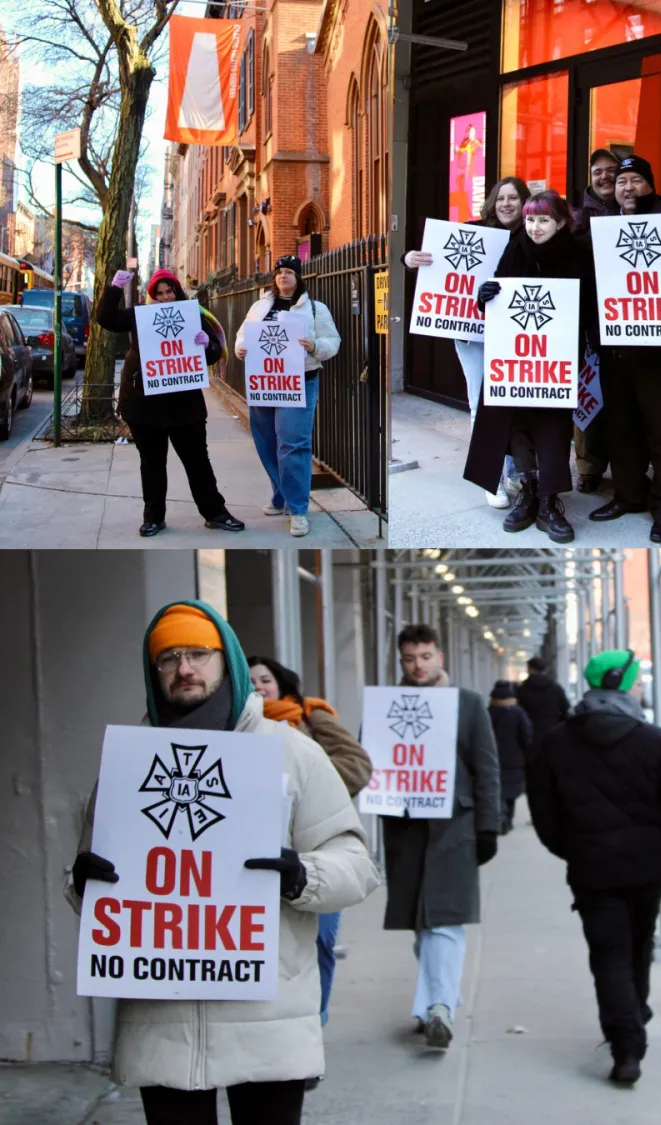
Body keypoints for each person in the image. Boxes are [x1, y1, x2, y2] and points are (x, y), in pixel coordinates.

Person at [65, 601, 380, 1125]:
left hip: (268, 1024)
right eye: (167, 658)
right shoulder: (129, 761)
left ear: (225, 659)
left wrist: (302, 876)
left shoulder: (291, 752)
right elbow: (96, 893)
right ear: (153, 672)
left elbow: (356, 864)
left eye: (197, 653)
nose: (184, 668)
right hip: (161, 1028)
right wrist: (83, 883)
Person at [527, 650, 661, 1086]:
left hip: (591, 866)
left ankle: (626, 1045)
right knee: (639, 942)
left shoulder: (556, 742)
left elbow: (544, 812)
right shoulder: (654, 741)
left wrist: (572, 848)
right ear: (624, 684)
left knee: (608, 954)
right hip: (648, 865)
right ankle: (635, 1013)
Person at [382, 623, 501, 1049]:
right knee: (422, 924)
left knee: (445, 920)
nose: (418, 665)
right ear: (401, 661)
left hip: (455, 828)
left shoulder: (467, 705)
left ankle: (439, 1008)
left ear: (440, 657)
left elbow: (487, 767)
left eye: (426, 657)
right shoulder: (386, 707)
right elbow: (372, 760)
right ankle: (435, 1000)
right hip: (408, 829)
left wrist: (489, 826)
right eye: (410, 659)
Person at [248, 655, 372, 1033]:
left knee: (320, 942)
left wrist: (307, 782)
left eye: (265, 679)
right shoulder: (234, 730)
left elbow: (357, 765)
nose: (258, 688)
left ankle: (313, 1023)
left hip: (313, 853)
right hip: (256, 856)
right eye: (250, 680)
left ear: (282, 684)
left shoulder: (308, 720)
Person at [468, 190, 600, 543]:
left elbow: (589, 304)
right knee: (518, 424)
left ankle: (549, 501)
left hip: (557, 357)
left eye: (543, 220)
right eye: (530, 220)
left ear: (560, 222)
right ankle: (528, 490)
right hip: (516, 357)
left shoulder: (577, 253)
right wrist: (486, 296)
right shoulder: (516, 247)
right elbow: (498, 292)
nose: (535, 227)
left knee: (553, 426)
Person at [589, 155, 661, 543]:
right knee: (621, 428)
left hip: (660, 349)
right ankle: (629, 495)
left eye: (636, 179)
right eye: (622, 181)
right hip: (615, 346)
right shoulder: (602, 225)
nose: (627, 187)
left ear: (650, 185)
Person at [404, 175, 530, 509]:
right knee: (481, 402)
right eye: (501, 197)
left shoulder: (533, 234)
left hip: (515, 333)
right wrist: (409, 259)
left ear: (524, 202)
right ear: (492, 201)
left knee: (515, 402)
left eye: (513, 198)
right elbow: (434, 258)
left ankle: (514, 469)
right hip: (473, 333)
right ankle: (492, 479)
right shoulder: (473, 231)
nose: (506, 204)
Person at [97, 268, 245, 538]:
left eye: (170, 291)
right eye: (160, 292)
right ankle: (153, 518)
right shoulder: (140, 316)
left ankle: (215, 513)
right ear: (153, 295)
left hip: (184, 407)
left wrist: (207, 345)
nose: (165, 297)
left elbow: (213, 355)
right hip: (144, 406)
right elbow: (106, 319)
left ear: (177, 291)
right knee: (152, 463)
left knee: (198, 462)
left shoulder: (192, 317)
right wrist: (114, 289)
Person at [235, 256, 341, 538]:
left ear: (298, 277)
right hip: (264, 383)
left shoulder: (315, 309)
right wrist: (241, 349)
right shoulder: (260, 306)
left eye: (289, 272)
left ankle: (298, 510)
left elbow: (334, 342)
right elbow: (242, 336)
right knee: (266, 442)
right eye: (280, 272)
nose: (283, 276)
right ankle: (280, 495)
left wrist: (315, 345)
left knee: (293, 445)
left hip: (299, 384)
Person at [572, 149, 620, 494]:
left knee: (620, 397)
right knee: (587, 393)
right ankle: (588, 467)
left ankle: (623, 464)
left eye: (610, 171)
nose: (604, 177)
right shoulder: (574, 218)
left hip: (629, 320)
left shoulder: (635, 210)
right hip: (587, 319)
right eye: (598, 172)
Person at [487, 680, 533, 833]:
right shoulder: (518, 712)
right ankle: (509, 818)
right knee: (511, 792)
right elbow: (526, 735)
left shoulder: (488, 711)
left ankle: (501, 814)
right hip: (514, 757)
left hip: (492, 756)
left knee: (497, 789)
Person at [515, 656, 570, 749]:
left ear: (530, 669)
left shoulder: (522, 689)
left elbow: (517, 711)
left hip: (529, 734)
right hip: (552, 732)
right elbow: (566, 709)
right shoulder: (556, 688)